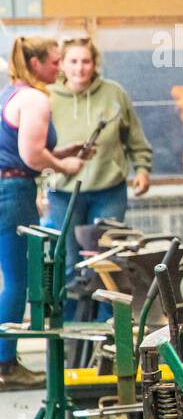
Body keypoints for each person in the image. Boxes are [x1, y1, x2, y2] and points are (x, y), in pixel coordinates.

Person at [0, 38, 90, 387]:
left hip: (9, 188)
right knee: (18, 280)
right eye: (54, 62)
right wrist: (64, 165)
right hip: (14, 191)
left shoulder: (11, 94)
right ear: (35, 64)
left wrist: (60, 151)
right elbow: (31, 157)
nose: (60, 68)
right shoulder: (36, 98)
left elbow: (26, 146)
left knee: (13, 278)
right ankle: (5, 364)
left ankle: (6, 360)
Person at [45, 37, 153, 318]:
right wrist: (37, 187)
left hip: (108, 190)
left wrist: (142, 168)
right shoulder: (47, 97)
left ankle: (110, 329)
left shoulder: (114, 93)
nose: (80, 68)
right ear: (62, 65)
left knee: (108, 262)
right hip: (62, 194)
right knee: (67, 263)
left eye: (86, 61)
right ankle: (69, 332)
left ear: (95, 64)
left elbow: (134, 137)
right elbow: (35, 149)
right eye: (73, 61)